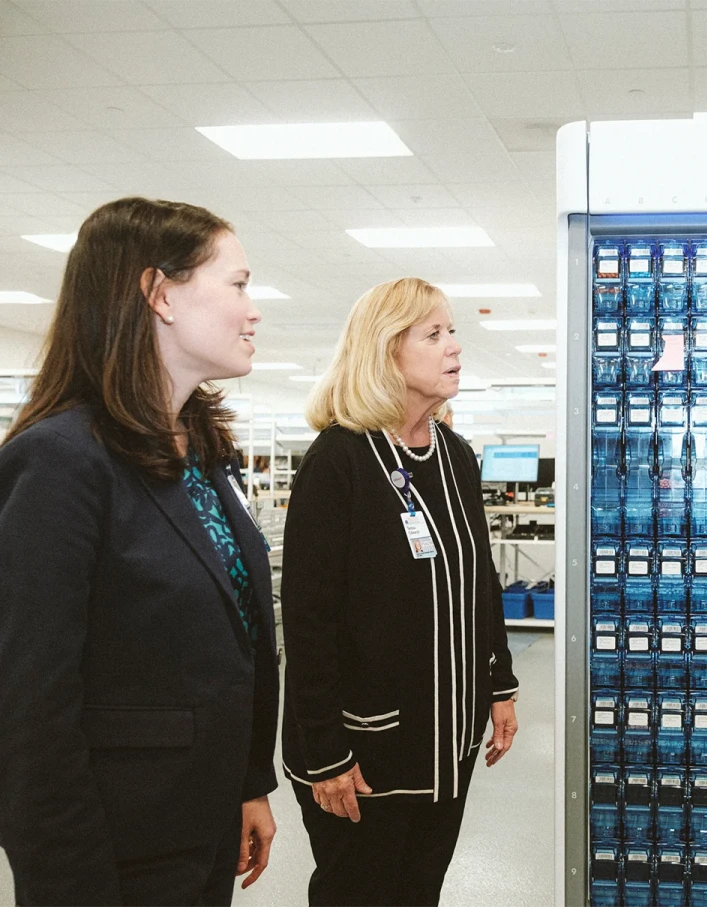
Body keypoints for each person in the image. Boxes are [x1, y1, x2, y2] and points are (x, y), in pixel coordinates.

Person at [0, 197, 279, 905]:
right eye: (239, 284)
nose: (254, 310)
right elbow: (30, 710)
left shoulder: (202, 451)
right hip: (115, 853)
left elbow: (230, 631)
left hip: (201, 829)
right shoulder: (61, 461)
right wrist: (71, 882)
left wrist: (247, 783)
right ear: (159, 294)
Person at [282, 276, 520, 907]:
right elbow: (307, 622)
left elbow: (480, 580)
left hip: (446, 741)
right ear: (387, 351)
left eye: (454, 332)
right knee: (359, 893)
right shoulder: (339, 462)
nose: (455, 348)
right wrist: (327, 751)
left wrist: (500, 686)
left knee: (419, 892)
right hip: (362, 751)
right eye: (434, 334)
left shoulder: (456, 455)